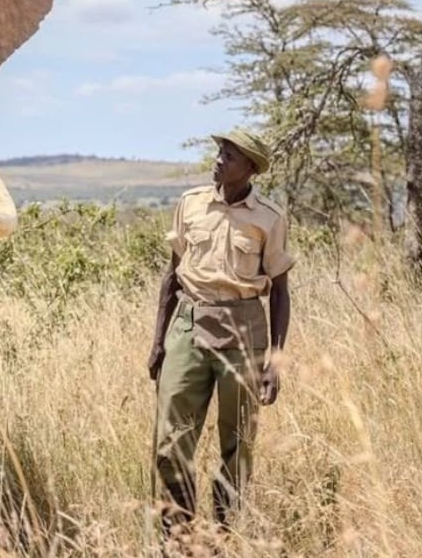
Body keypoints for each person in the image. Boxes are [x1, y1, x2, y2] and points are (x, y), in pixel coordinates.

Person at [148, 128, 294, 540]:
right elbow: (170, 278)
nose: (218, 160)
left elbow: (280, 293)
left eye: (229, 155)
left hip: (244, 330)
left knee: (238, 444)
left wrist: (274, 363)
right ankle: (179, 537)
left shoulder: (269, 218)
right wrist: (158, 341)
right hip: (188, 326)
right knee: (170, 442)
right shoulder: (190, 204)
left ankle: (224, 537)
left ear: (250, 168)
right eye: (218, 152)